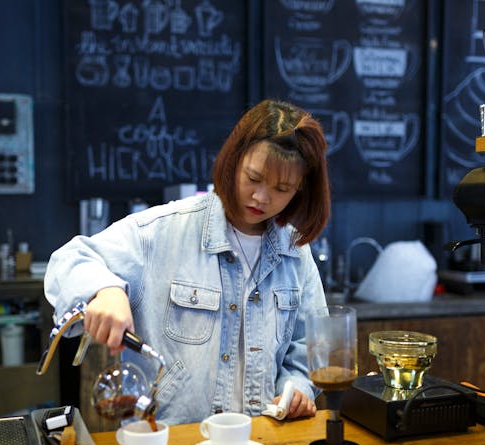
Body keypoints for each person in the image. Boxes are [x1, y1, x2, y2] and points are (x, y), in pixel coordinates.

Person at [45, 99, 331, 425]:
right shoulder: (164, 230)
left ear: (300, 190)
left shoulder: (296, 252)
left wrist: (297, 389)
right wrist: (104, 290)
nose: (262, 197)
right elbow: (69, 259)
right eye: (253, 178)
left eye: (282, 188)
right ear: (233, 161)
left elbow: (308, 347)